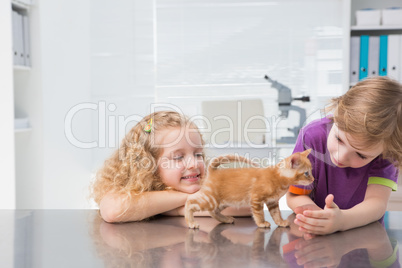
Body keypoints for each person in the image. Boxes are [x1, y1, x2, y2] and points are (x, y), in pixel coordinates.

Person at [286, 76, 402, 235]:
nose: (340, 157)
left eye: (361, 155)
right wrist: (317, 216)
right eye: (339, 139)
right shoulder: (312, 137)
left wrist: (342, 220)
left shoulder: (386, 154)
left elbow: (376, 203)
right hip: (312, 237)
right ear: (336, 113)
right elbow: (294, 194)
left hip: (363, 238)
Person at [91, 110, 250, 223]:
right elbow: (114, 210)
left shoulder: (207, 185)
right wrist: (190, 200)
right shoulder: (130, 189)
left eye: (198, 154)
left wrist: (173, 209)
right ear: (147, 165)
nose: (194, 163)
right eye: (178, 157)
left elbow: (247, 204)